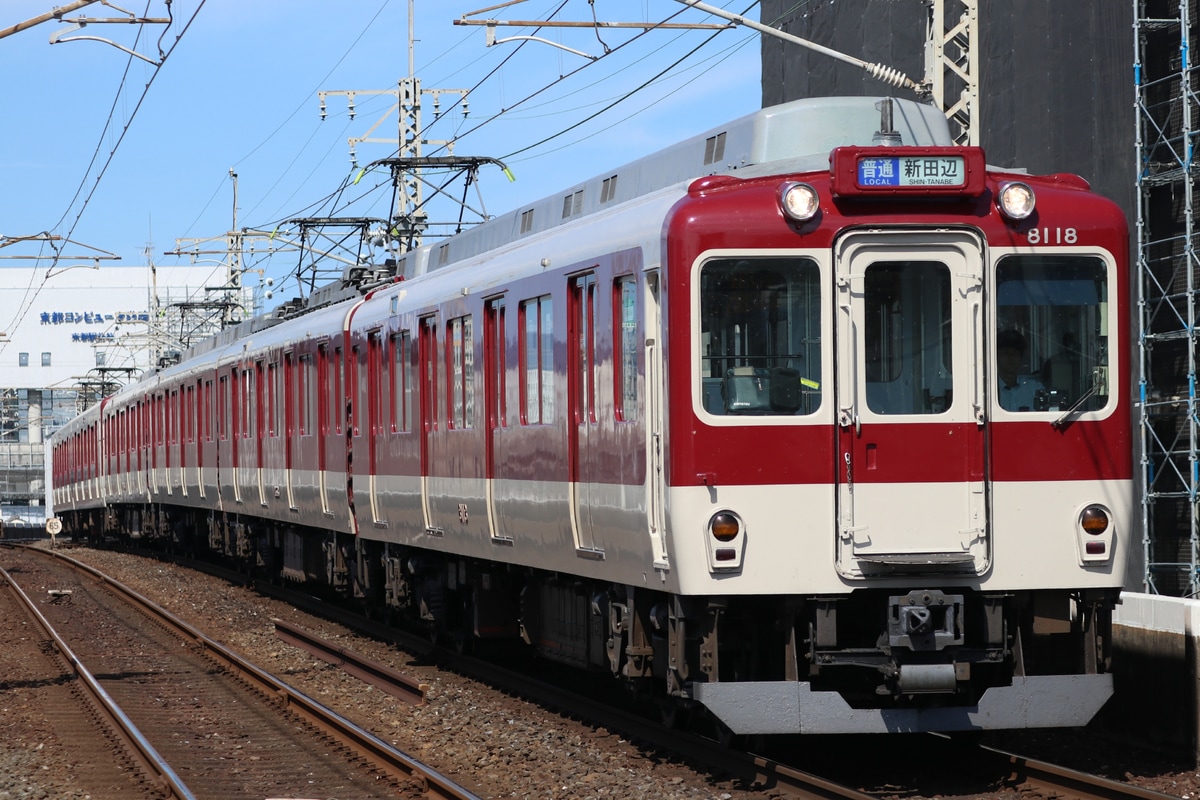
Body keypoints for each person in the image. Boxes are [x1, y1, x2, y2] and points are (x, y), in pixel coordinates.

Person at [997, 329, 1045, 412]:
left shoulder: (1034, 389)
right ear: (996, 357)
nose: (1010, 357)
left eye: (1015, 353)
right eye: (1006, 353)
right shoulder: (988, 390)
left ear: (1021, 358)